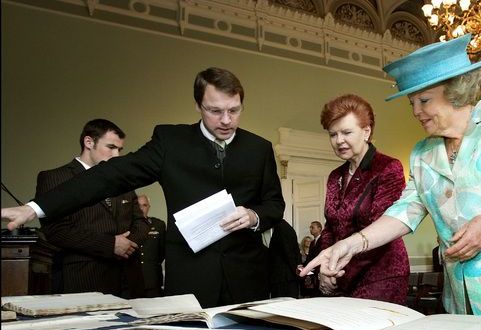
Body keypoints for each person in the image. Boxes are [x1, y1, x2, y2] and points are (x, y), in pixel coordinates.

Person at [302, 35, 481, 315]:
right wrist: (349, 245)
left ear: (455, 90)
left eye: (424, 100)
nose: (416, 111)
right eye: (412, 103)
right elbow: (404, 211)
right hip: (464, 301)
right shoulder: (423, 152)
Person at [2, 67, 285, 308]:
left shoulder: (259, 148)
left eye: (234, 111)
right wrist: (34, 208)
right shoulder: (170, 141)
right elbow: (109, 176)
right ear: (198, 106)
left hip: (248, 280)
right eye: (215, 111)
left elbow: (274, 205)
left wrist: (253, 217)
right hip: (191, 279)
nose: (226, 120)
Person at [35, 119, 149, 297]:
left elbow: (141, 222)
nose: (117, 155)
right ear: (89, 142)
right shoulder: (54, 177)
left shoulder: (122, 180)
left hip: (129, 281)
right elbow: (56, 230)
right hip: (83, 279)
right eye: (111, 147)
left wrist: (125, 246)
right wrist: (110, 244)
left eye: (119, 149)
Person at [316, 94, 409, 304]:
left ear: (366, 131)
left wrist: (336, 268)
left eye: (347, 132)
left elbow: (383, 228)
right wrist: (327, 268)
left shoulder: (388, 167)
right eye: (333, 134)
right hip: (340, 275)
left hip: (381, 276)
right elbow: (330, 229)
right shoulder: (335, 176)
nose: (339, 140)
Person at [136, 194, 166, 297]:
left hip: (153, 279)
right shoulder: (126, 225)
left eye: (144, 205)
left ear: (148, 207)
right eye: (138, 205)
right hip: (132, 281)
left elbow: (162, 252)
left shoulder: (158, 225)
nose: (141, 209)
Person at [267, 219, 301, 298]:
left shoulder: (281, 229)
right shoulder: (285, 227)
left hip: (284, 278)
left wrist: (296, 272)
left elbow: (289, 253)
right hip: (285, 277)